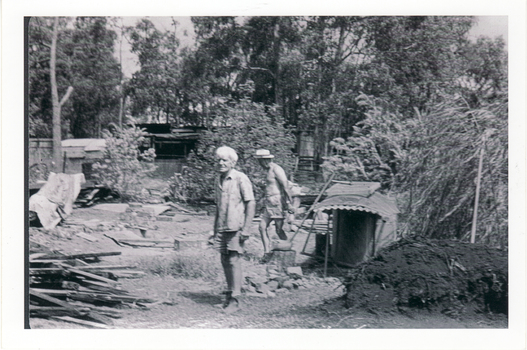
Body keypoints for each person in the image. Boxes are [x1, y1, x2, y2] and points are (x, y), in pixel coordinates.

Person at [212, 146, 255, 313]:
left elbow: (251, 202)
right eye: (218, 160)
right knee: (224, 260)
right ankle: (229, 296)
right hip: (222, 226)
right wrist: (214, 230)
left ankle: (236, 300)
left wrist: (247, 228)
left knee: (233, 260)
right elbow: (218, 206)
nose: (221, 163)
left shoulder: (240, 178)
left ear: (232, 162)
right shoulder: (218, 179)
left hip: (235, 226)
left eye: (224, 160)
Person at [254, 149, 293, 259]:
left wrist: (289, 203)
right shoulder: (266, 170)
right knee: (262, 227)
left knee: (279, 230)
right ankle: (267, 253)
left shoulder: (276, 169)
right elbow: (270, 186)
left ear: (264, 160)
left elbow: (285, 185)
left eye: (259, 161)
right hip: (269, 202)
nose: (258, 163)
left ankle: (287, 249)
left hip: (277, 202)